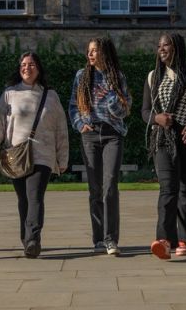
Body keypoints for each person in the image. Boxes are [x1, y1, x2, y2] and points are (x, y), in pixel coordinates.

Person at [0, 52, 69, 258]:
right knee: (23, 199)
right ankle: (26, 239)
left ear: (39, 68)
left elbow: (61, 129)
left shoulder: (51, 96)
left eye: (31, 64)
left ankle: (33, 239)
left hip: (43, 154)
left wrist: (63, 157)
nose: (27, 67)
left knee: (35, 196)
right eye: (23, 64)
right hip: (16, 155)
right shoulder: (9, 93)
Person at [142, 33, 186, 259]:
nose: (161, 49)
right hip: (163, 138)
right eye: (159, 45)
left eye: (166, 45)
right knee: (168, 187)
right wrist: (157, 119)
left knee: (185, 187)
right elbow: (145, 111)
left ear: (177, 48)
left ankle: (183, 239)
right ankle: (164, 240)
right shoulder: (154, 76)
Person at [68, 37, 132, 256]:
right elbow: (73, 106)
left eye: (94, 50)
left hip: (112, 134)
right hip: (90, 135)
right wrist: (80, 125)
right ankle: (98, 239)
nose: (90, 54)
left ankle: (111, 239)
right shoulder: (81, 76)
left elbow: (124, 110)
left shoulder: (118, 77)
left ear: (104, 52)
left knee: (110, 186)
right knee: (94, 189)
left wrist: (112, 95)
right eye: (89, 51)